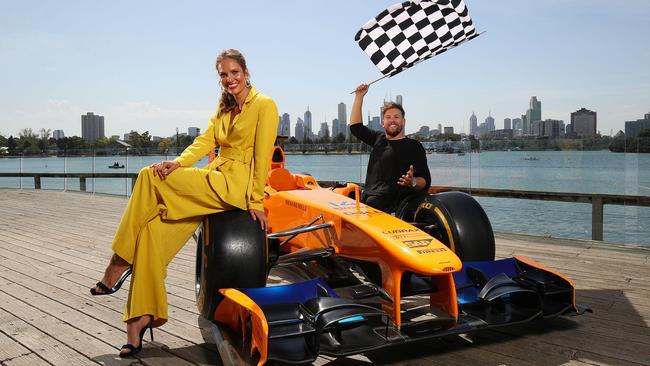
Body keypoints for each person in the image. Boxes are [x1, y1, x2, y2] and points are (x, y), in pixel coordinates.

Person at [89, 49, 278, 357]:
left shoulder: (264, 104)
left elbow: (263, 155)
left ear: (245, 71)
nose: (229, 79)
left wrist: (256, 200)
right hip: (214, 177)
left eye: (234, 72)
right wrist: (177, 163)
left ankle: (119, 261)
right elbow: (205, 141)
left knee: (148, 176)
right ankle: (138, 322)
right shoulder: (224, 107)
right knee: (151, 232)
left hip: (237, 185)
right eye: (223, 74)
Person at [349, 83, 431, 216]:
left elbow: (424, 181)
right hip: (368, 201)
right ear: (382, 123)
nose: (392, 120)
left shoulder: (414, 146)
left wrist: (412, 181)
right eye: (388, 117)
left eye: (396, 117)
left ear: (404, 121)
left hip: (392, 206)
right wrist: (359, 96)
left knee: (374, 203)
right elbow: (355, 127)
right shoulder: (378, 139)